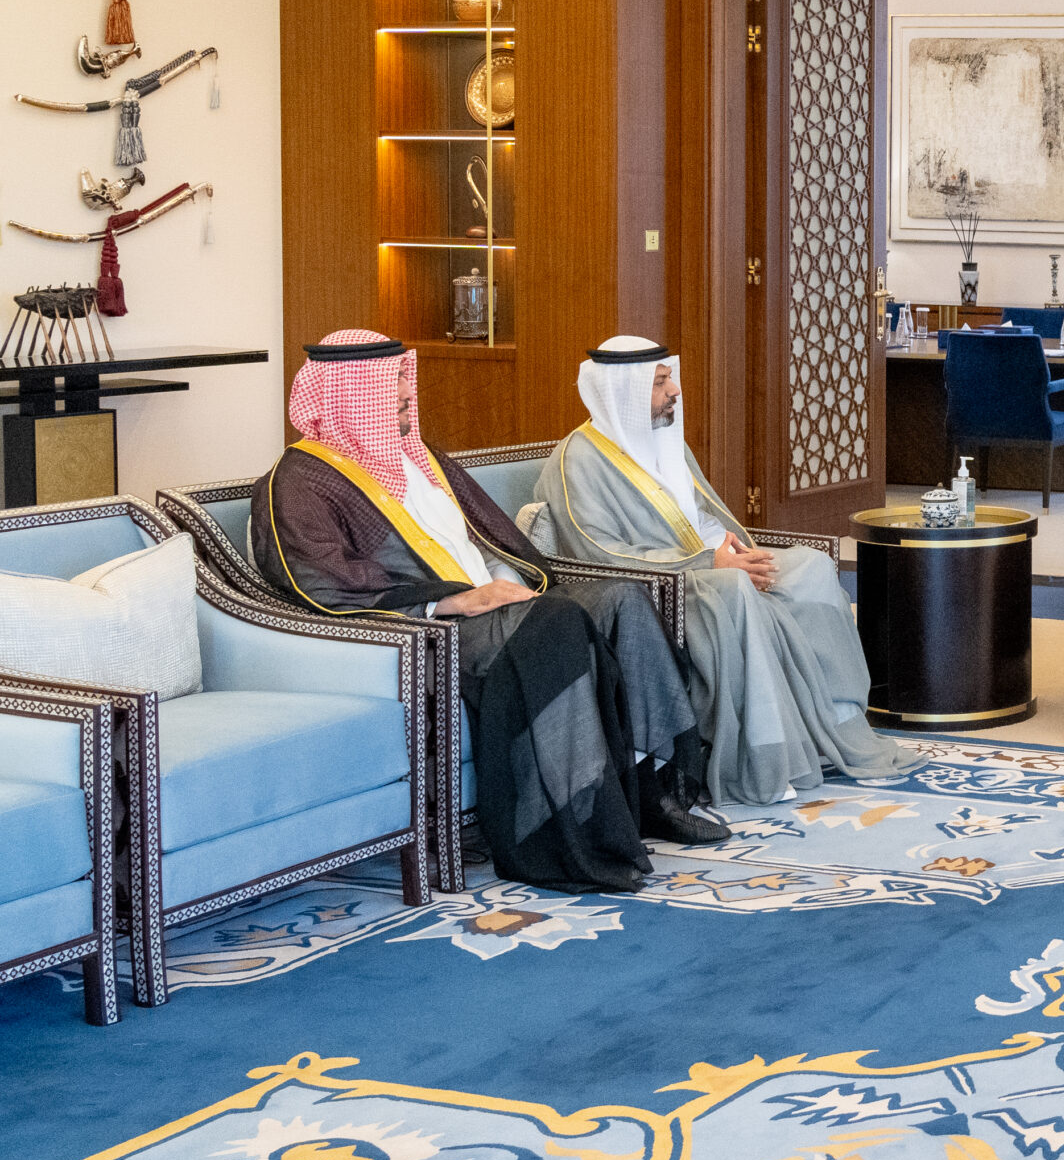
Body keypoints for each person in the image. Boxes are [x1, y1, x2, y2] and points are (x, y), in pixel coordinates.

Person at [252, 330, 725, 895]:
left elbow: (489, 539)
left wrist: (510, 585)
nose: (406, 392)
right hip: (430, 630)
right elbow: (319, 583)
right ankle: (572, 836)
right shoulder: (299, 482)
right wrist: (452, 600)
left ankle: (657, 796)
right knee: (556, 624)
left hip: (497, 605)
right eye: (391, 382)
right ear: (347, 393)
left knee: (622, 598)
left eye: (404, 377)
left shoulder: (419, 457)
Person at [531, 337, 917, 805]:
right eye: (660, 383)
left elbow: (702, 517)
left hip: (711, 562)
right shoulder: (576, 461)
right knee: (736, 587)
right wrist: (711, 562)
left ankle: (836, 725)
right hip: (663, 586)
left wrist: (733, 551)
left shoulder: (664, 440)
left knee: (811, 566)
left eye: (670, 379)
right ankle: (766, 753)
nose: (675, 391)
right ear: (622, 392)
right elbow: (595, 554)